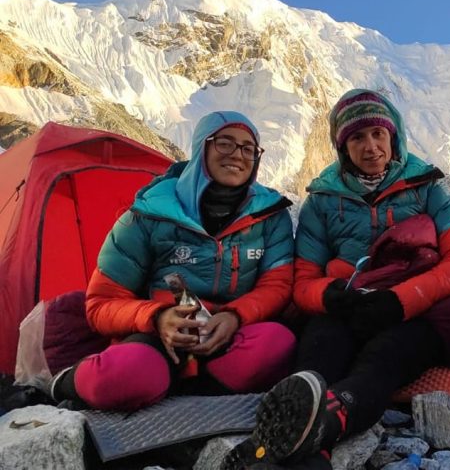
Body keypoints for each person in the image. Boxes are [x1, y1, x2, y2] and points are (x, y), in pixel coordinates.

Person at [223, 89, 450, 469]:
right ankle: (307, 443)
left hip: (412, 311)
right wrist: (329, 296)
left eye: (378, 134)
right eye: (357, 137)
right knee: (320, 352)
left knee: (387, 355)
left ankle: (316, 432)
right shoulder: (322, 201)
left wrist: (400, 300)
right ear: (342, 146)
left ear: (394, 137)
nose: (370, 147)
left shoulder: (428, 188)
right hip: (349, 308)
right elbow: (303, 281)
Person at [50, 111, 297, 411]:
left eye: (248, 148)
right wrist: (158, 318)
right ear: (201, 148)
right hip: (157, 336)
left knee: (278, 343)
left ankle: (186, 389)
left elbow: (277, 284)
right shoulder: (148, 214)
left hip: (224, 332)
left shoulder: (269, 215)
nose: (238, 155)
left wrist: (235, 316)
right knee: (124, 374)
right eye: (225, 143)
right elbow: (101, 304)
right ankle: (68, 381)